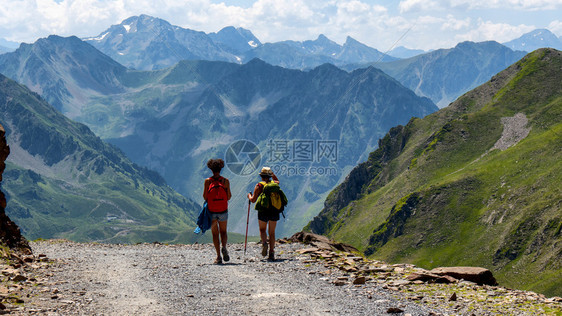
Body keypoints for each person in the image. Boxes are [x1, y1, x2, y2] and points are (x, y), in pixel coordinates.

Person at [247, 167, 280, 261]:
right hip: (274, 210)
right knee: (272, 232)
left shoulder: (259, 186)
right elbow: (277, 180)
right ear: (269, 176)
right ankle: (272, 252)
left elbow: (253, 200)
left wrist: (249, 196)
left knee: (262, 230)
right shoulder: (275, 184)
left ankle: (265, 243)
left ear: (261, 176)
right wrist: (272, 173)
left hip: (263, 211)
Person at [203, 158, 232, 264]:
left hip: (212, 211)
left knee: (215, 234)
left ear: (211, 169)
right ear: (221, 169)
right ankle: (224, 247)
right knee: (223, 231)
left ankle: (218, 256)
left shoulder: (207, 181)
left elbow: (205, 196)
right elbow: (228, 196)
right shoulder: (225, 181)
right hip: (223, 210)